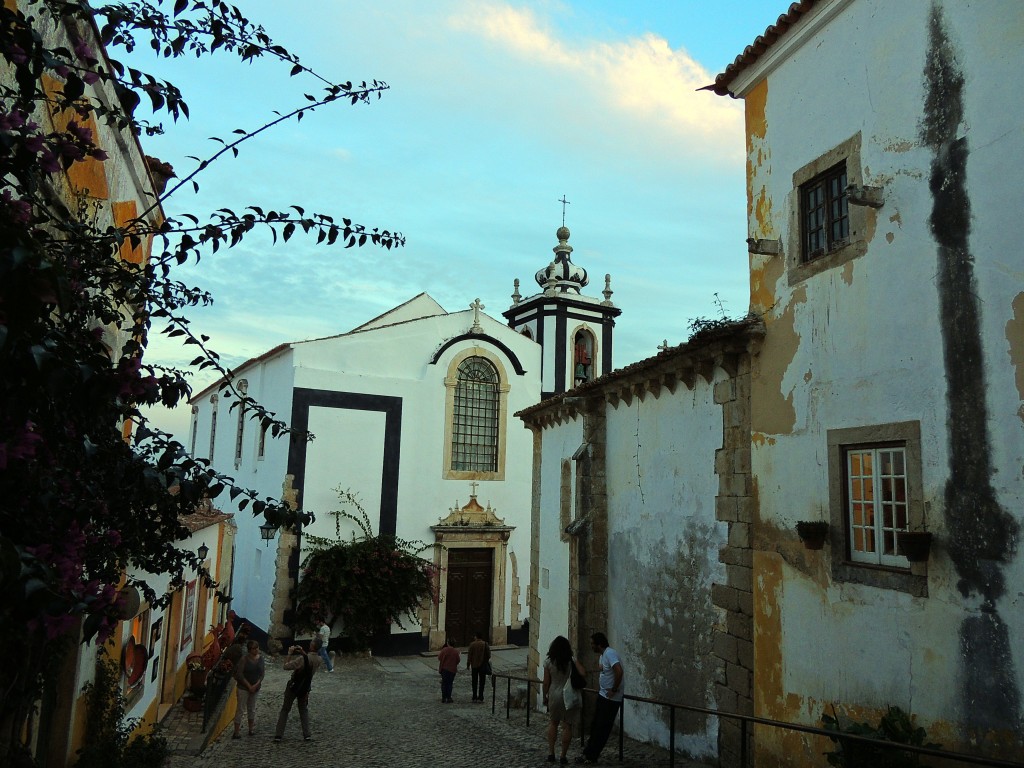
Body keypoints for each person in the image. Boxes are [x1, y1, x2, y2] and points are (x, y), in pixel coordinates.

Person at [576, 632, 624, 765]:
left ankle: (592, 755)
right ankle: (588, 753)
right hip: (603, 695)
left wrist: (614, 689)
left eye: (592, 644)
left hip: (611, 699)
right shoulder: (602, 656)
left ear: (599, 644)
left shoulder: (610, 653)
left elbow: (619, 671)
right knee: (595, 726)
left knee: (602, 728)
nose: (591, 646)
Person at [542, 636, 586, 765]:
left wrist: (545, 696)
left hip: (554, 695)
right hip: (569, 695)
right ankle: (563, 756)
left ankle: (551, 753)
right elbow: (583, 673)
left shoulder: (548, 662)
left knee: (553, 723)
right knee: (568, 726)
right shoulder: (571, 660)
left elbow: (546, 682)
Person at [273, 637, 323, 742]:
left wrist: (290, 653)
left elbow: (286, 666)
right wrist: (303, 652)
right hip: (305, 688)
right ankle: (307, 734)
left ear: (312, 645)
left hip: (294, 686)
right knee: (303, 710)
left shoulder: (301, 659)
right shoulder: (319, 660)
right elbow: (309, 659)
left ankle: (278, 734)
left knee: (285, 709)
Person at [232, 639, 265, 738]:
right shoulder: (244, 659)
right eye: (254, 649)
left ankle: (251, 729)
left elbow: (262, 674)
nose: (256, 650)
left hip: (255, 688)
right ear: (249, 650)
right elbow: (240, 674)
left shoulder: (261, 659)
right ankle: (236, 732)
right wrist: (249, 686)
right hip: (243, 688)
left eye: (257, 648)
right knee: (240, 709)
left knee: (252, 709)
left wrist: (256, 685)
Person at [466, 630, 491, 702]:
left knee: (474, 681)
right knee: (482, 681)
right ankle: (481, 696)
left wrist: (468, 664)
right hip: (482, 665)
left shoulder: (472, 644)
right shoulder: (485, 644)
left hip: (474, 665)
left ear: (476, 637)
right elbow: (489, 655)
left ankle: (474, 696)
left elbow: (469, 656)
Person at [437, 639, 460, 703]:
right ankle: (449, 697)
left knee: (444, 683)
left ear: (448, 643)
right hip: (452, 669)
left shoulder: (444, 650)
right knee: (450, 683)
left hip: (444, 669)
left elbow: (439, 658)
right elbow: (458, 660)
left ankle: (444, 698)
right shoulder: (456, 651)